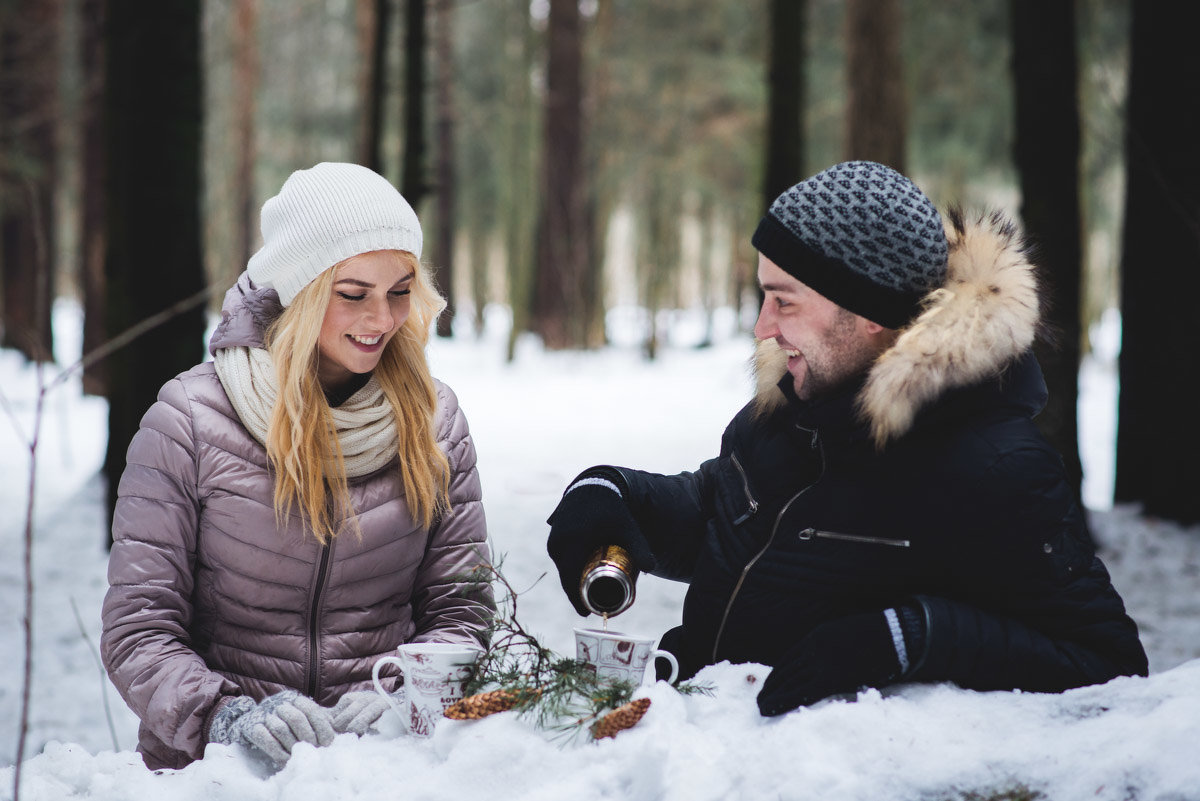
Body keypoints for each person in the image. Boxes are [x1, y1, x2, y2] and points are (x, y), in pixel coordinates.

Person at [546, 160, 1148, 717]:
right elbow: (725, 520)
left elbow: (1107, 662)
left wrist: (909, 637)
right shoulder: (787, 411)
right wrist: (613, 494)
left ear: (870, 313)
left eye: (783, 301)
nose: (761, 327)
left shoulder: (995, 466)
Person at [101, 162, 495, 770]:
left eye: (400, 291)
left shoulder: (435, 421)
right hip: (219, 771)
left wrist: (404, 693)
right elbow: (139, 628)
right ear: (301, 292)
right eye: (353, 294)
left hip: (380, 769)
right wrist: (225, 718)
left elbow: (460, 610)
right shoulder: (190, 421)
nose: (384, 319)